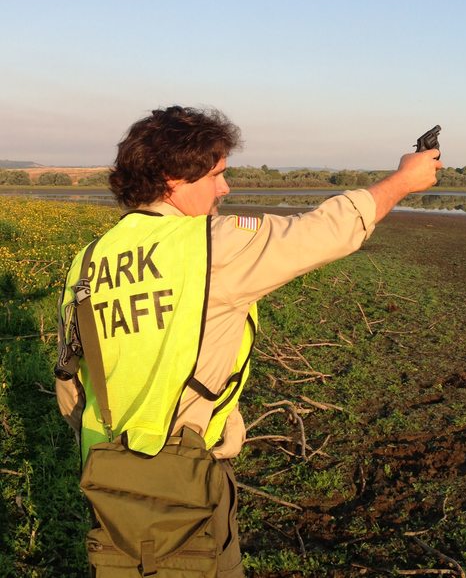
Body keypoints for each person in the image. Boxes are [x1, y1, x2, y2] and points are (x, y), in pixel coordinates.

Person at [55, 105, 441, 576]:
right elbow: (323, 232)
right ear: (173, 179)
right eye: (217, 175)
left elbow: (71, 383)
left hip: (106, 475)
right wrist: (403, 181)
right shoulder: (210, 245)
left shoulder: (89, 259)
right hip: (183, 476)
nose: (225, 188)